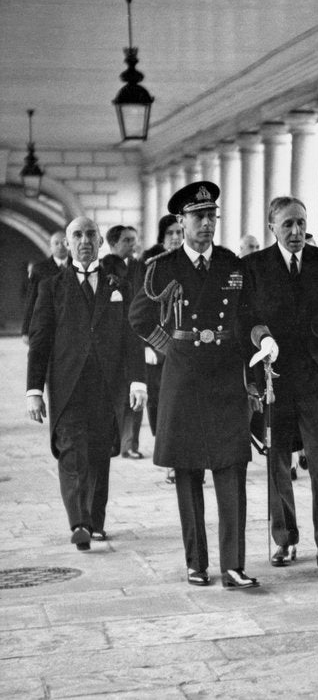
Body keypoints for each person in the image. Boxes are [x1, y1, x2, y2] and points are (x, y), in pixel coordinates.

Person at [130, 181, 274, 590]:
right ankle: (197, 562)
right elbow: (140, 317)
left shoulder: (232, 264)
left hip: (227, 374)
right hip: (184, 376)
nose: (207, 224)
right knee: (189, 471)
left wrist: (263, 338)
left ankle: (233, 566)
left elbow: (248, 315)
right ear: (181, 221)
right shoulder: (162, 266)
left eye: (212, 217)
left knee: (233, 467)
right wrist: (170, 349)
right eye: (198, 217)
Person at [243, 196, 318, 571]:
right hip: (275, 378)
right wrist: (262, 340)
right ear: (272, 226)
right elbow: (249, 318)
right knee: (277, 463)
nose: (296, 231)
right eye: (287, 224)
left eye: (301, 223)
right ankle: (284, 539)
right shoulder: (254, 266)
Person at [26, 217, 146, 550]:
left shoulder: (118, 284)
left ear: (100, 242)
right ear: (67, 242)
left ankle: (95, 520)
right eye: (77, 235)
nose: (84, 240)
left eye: (90, 234)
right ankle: (79, 522)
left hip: (106, 385)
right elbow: (40, 340)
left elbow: (131, 336)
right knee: (71, 452)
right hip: (67, 385)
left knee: (98, 454)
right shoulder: (52, 286)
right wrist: (34, 390)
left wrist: (138, 381)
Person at [142, 215, 186, 484]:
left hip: (187, 347)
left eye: (179, 232)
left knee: (185, 405)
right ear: (161, 235)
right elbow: (140, 311)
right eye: (170, 233)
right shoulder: (152, 265)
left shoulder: (193, 259)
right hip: (159, 346)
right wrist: (149, 345)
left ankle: (181, 461)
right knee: (160, 404)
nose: (175, 237)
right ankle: (170, 457)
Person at [101, 225, 147, 459]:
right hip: (113, 338)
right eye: (127, 240)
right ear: (113, 243)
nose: (132, 244)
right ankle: (113, 438)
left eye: (134, 240)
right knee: (114, 391)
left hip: (136, 333)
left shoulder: (141, 266)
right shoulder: (103, 269)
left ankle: (130, 444)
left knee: (137, 385)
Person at [21, 230, 69, 344]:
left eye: (64, 242)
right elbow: (31, 299)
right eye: (56, 243)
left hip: (72, 326)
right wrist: (26, 330)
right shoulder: (39, 269)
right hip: (47, 325)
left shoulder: (78, 267)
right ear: (50, 247)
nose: (60, 246)